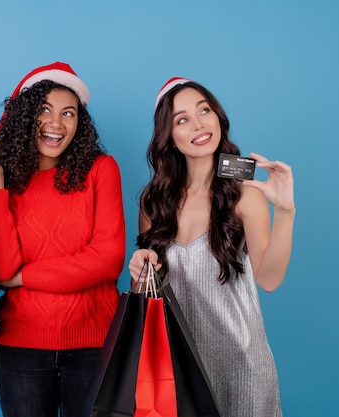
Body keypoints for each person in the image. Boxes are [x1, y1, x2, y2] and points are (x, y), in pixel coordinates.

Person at [128, 77, 295, 417]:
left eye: (204, 110)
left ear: (218, 117)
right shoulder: (153, 202)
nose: (199, 123)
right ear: (169, 136)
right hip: (177, 370)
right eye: (182, 118)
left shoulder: (244, 195)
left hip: (242, 366)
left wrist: (285, 211)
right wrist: (139, 268)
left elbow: (269, 279)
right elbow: (146, 297)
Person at [0, 62, 126, 417]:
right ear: (25, 117)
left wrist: (25, 278)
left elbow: (107, 259)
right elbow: (0, 269)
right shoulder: (5, 181)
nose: (56, 123)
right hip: (20, 350)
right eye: (44, 110)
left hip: (95, 348)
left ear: (78, 124)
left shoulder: (101, 169)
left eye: (68, 113)